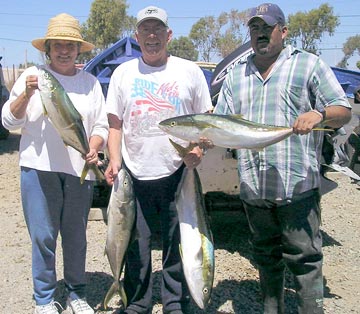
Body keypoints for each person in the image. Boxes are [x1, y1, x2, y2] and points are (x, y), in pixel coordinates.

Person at [214, 3, 352, 314]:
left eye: (267, 27)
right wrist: (204, 136)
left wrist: (318, 114)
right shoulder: (236, 75)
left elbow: (343, 111)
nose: (260, 33)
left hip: (297, 186)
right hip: (253, 187)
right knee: (265, 255)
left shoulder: (309, 65)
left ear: (284, 31)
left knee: (304, 260)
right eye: (255, 28)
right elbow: (221, 123)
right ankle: (271, 308)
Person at [104, 6, 213, 314]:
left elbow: (206, 120)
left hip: (178, 172)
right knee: (136, 243)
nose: (151, 36)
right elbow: (115, 125)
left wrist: (199, 149)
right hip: (134, 173)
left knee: (176, 242)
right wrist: (114, 160)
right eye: (145, 30)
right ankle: (137, 301)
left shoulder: (189, 71)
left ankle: (174, 301)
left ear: (169, 35)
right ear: (136, 36)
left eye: (157, 30)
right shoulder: (123, 73)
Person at [1, 13, 108, 314]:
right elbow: (9, 120)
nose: (64, 50)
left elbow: (100, 125)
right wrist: (26, 93)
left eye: (70, 45)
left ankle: (77, 293)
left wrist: (94, 148)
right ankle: (45, 298)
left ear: (78, 50)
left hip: (78, 170)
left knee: (76, 237)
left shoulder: (90, 83)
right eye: (58, 45)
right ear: (47, 49)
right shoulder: (32, 76)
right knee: (44, 236)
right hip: (38, 169)